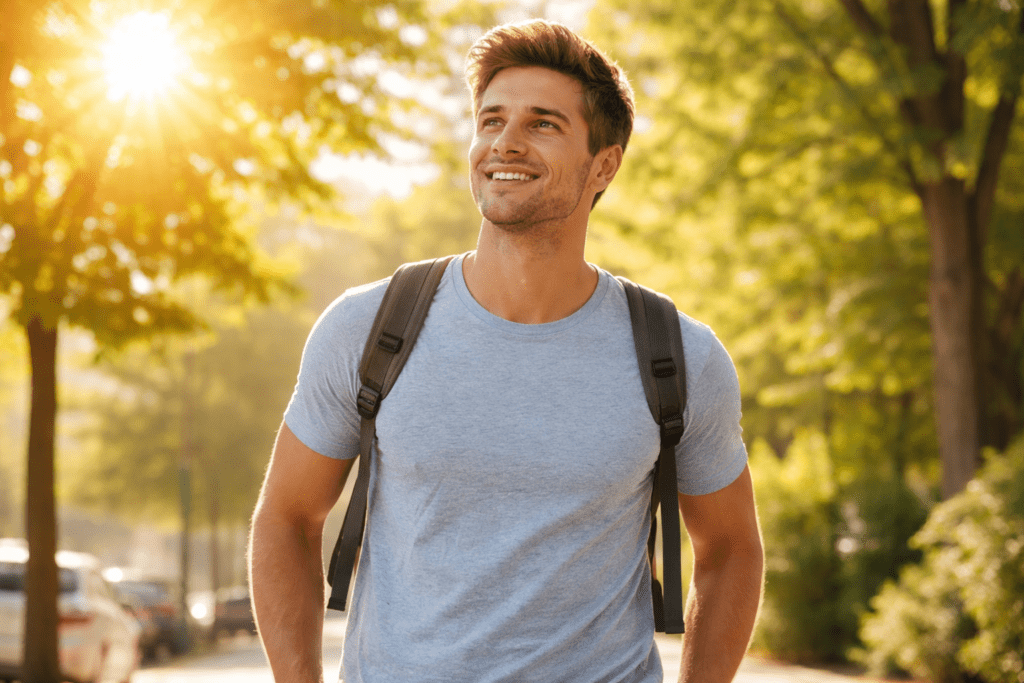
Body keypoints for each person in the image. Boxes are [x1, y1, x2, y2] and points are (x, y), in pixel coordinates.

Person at [249, 18, 763, 683]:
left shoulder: (679, 355)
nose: (505, 143)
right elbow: (287, 518)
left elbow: (730, 547)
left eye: (543, 124)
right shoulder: (368, 328)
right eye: (491, 120)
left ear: (604, 164)